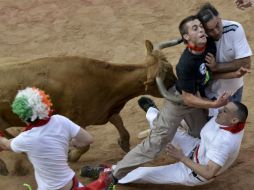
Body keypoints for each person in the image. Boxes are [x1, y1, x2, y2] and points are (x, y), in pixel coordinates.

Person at [85, 15, 240, 188]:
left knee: (199, 133)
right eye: (195, 28)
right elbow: (187, 98)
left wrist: (231, 73)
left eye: (201, 27)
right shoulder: (185, 64)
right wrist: (213, 104)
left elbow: (210, 62)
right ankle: (114, 175)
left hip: (196, 97)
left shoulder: (208, 43)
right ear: (187, 37)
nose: (202, 30)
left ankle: (153, 113)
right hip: (180, 101)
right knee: (155, 144)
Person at [81, 101, 248, 186]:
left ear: (234, 119)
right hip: (196, 147)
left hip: (192, 171)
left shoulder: (224, 142)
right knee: (161, 125)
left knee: (143, 174)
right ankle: (153, 113)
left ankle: (109, 173)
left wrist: (181, 157)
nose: (220, 110)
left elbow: (209, 173)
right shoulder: (227, 121)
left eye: (224, 110)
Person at [0, 87, 110, 190]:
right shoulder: (60, 120)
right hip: (72, 184)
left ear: (22, 116)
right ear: (44, 104)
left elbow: (5, 144)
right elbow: (87, 139)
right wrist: (64, 142)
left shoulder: (25, 139)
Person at [197, 2, 252, 103]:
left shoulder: (235, 28)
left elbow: (246, 64)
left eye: (217, 25)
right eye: (210, 30)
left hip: (234, 91)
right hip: (209, 95)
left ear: (219, 17)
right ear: (203, 29)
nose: (216, 32)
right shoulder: (200, 40)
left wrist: (217, 67)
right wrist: (234, 72)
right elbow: (205, 75)